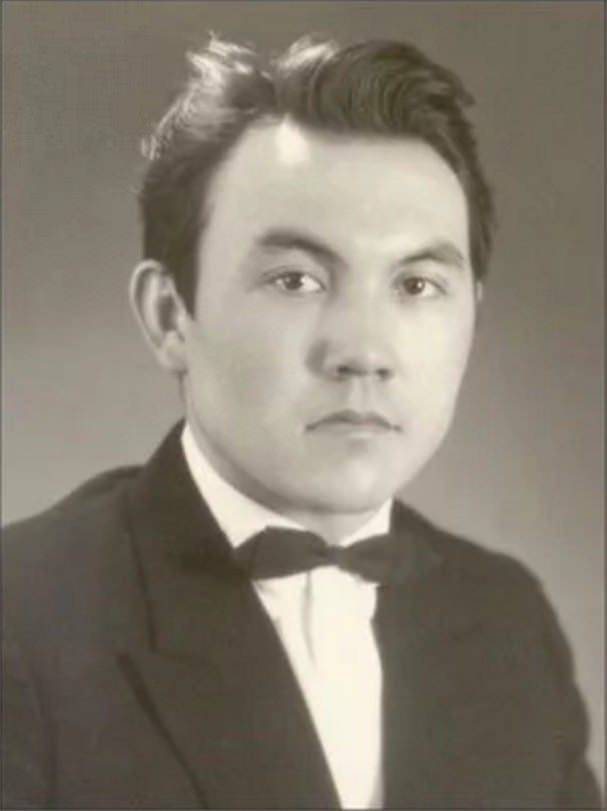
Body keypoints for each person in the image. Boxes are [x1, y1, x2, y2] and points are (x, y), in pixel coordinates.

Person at [2, 34, 601, 810]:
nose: (364, 352)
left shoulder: (505, 618)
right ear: (169, 316)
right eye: (296, 279)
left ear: (471, 318)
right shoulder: (22, 618)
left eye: (416, 285)